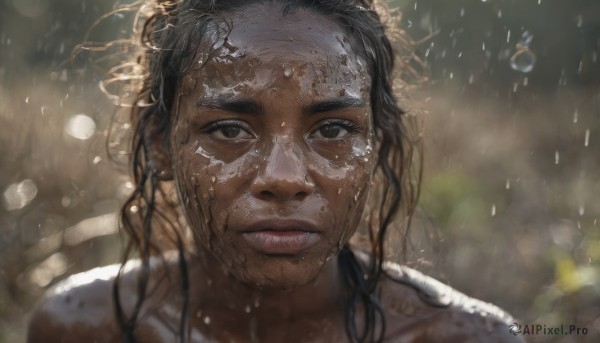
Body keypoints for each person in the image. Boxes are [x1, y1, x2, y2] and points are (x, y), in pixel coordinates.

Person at [27, 0, 524, 342]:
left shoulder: (462, 337)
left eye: (332, 130)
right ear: (161, 145)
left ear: (377, 144)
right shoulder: (86, 328)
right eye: (228, 129)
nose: (284, 177)